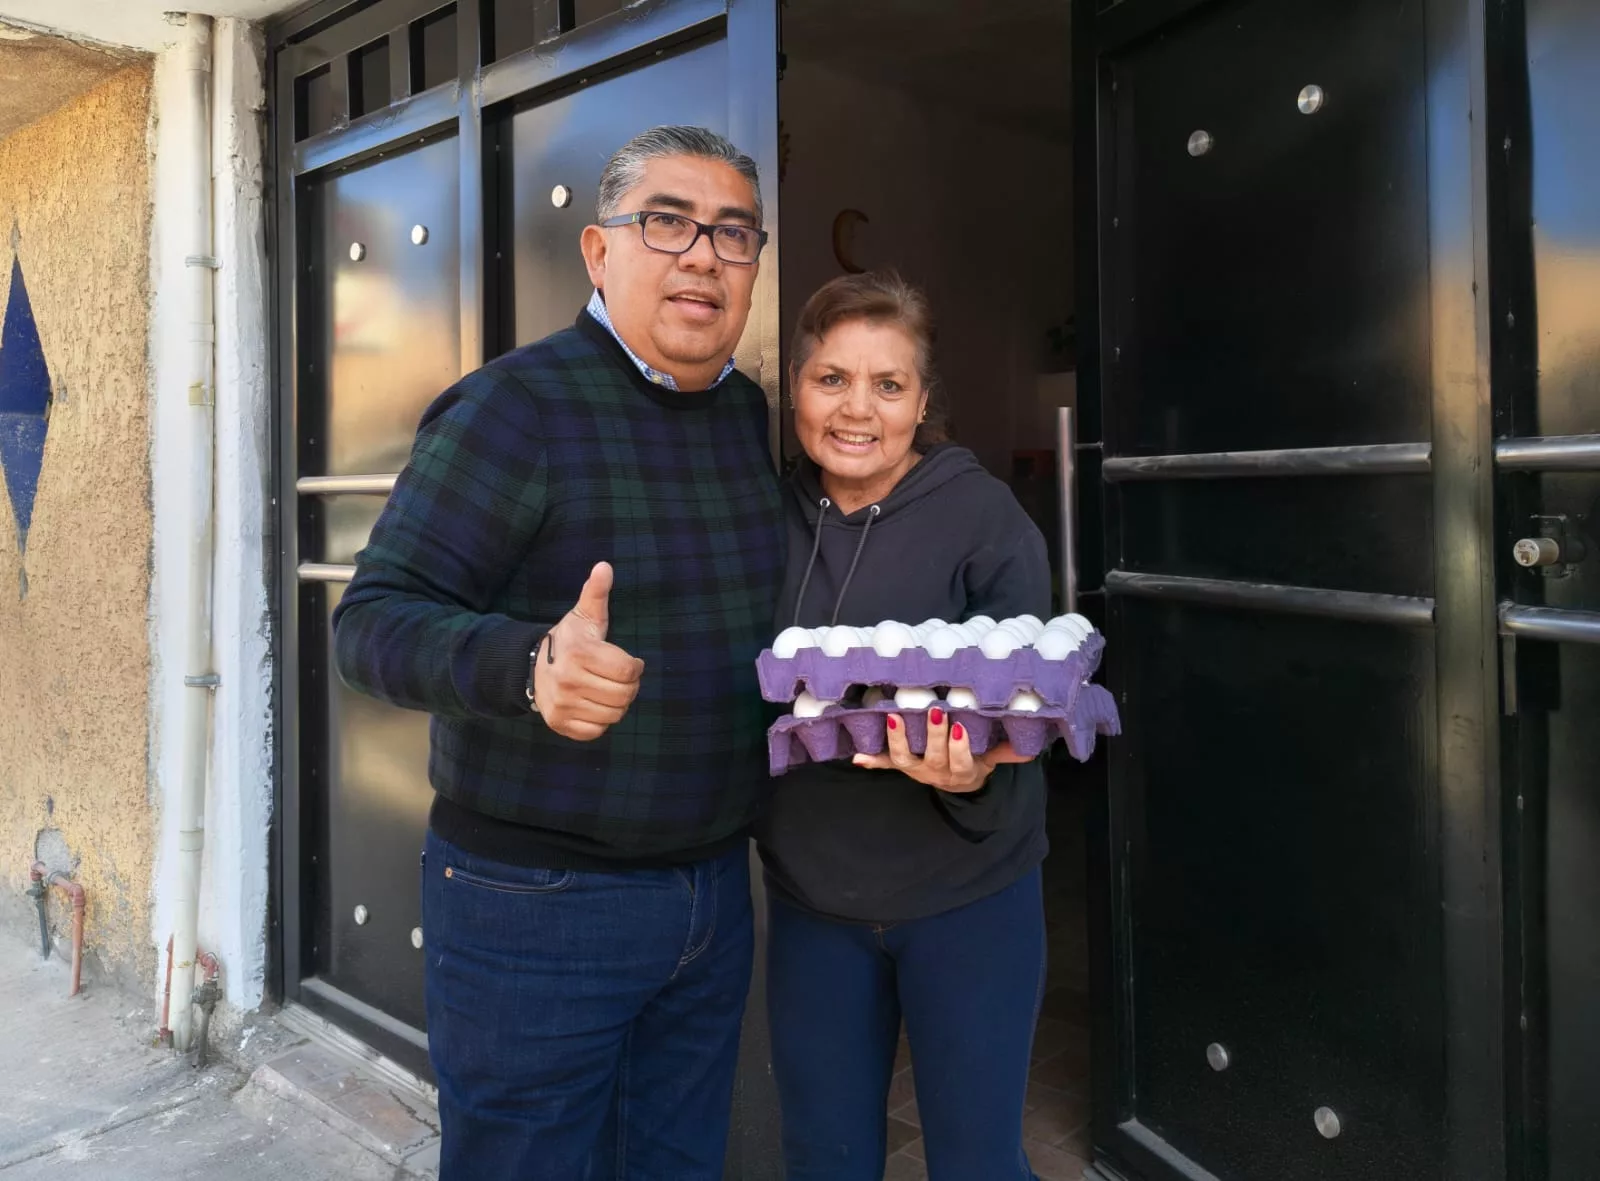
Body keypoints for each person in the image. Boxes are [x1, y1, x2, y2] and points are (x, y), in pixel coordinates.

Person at [331, 126, 783, 1179]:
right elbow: (370, 623)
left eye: (733, 233)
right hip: (536, 905)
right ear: (597, 249)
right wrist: (528, 667)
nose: (703, 256)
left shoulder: (744, 413)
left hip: (712, 894)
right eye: (667, 222)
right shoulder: (516, 407)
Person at [757, 271, 1052, 1180]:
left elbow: (1027, 708)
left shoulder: (983, 517)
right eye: (831, 378)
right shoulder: (763, 515)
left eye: (888, 384)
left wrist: (979, 769)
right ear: (796, 389)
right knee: (826, 1158)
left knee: (976, 1162)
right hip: (814, 902)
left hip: (968, 898)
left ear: (923, 402)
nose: (858, 408)